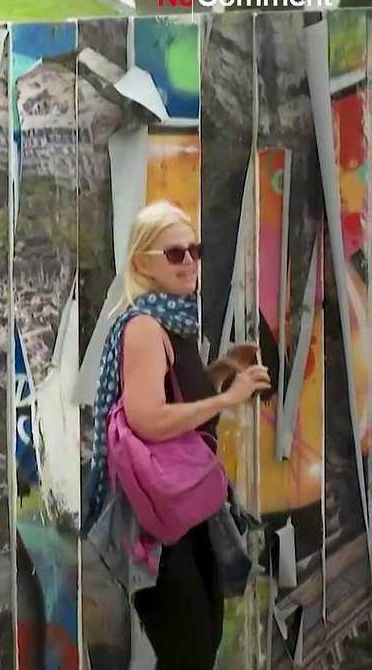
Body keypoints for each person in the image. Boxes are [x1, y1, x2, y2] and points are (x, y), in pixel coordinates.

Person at [82, 201, 270, 669]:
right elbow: (148, 420)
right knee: (189, 650)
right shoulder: (145, 326)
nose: (189, 261)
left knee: (197, 646)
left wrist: (221, 371)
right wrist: (227, 400)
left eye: (195, 250)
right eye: (174, 253)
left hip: (179, 511)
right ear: (143, 263)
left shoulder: (170, 322)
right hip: (155, 521)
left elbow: (168, 397)